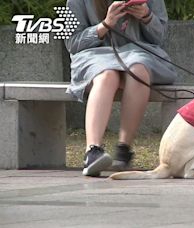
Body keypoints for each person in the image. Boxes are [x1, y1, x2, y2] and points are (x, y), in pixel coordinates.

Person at [65, 0, 177, 176]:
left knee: (138, 70)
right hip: (94, 56)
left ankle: (123, 149)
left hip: (139, 53)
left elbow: (160, 37)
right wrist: (105, 25)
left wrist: (147, 17)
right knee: (107, 75)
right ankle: (92, 151)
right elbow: (72, 43)